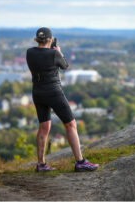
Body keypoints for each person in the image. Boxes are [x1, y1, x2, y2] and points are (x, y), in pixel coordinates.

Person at [26, 27, 98, 172]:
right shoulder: (54, 53)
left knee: (44, 127)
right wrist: (58, 51)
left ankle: (41, 164)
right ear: (50, 39)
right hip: (53, 92)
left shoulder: (30, 52)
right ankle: (80, 161)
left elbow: (40, 59)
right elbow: (65, 65)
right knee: (70, 124)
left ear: (37, 39)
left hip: (38, 92)